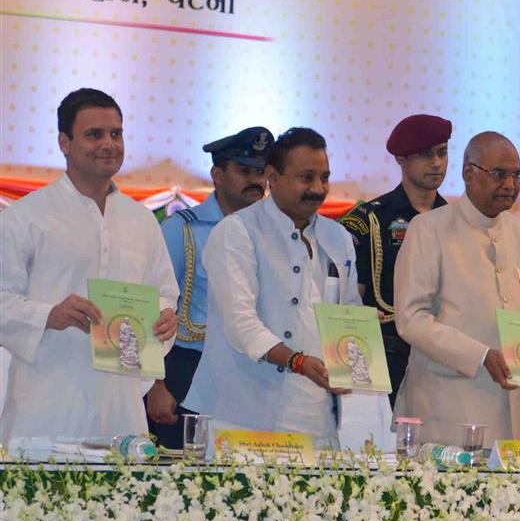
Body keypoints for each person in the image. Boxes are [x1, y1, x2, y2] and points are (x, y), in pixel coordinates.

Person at [182, 128, 388, 445]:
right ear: (272, 177)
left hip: (318, 417)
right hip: (242, 414)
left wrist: (361, 338)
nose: (318, 189)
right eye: (306, 177)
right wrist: (298, 362)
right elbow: (240, 324)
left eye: (324, 177)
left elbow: (348, 311)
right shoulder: (237, 232)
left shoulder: (339, 237)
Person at [0, 89, 178, 445]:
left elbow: (164, 294)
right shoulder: (26, 216)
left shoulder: (141, 220)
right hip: (47, 403)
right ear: (64, 142)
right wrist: (50, 314)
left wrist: (165, 318)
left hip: (122, 406)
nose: (109, 144)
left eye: (116, 134)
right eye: (94, 134)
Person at [394, 131, 520, 445]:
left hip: (509, 412)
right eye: (499, 174)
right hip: (445, 408)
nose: (510, 184)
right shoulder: (429, 228)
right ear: (467, 173)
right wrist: (480, 355)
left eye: (516, 175)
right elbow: (411, 319)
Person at [146, 126, 273, 449]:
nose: (256, 180)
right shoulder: (182, 229)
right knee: (180, 477)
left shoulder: (275, 233)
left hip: (253, 371)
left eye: (262, 172)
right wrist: (156, 384)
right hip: (187, 369)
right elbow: (153, 307)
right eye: (244, 170)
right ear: (217, 174)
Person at [340, 114, 453, 405]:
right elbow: (349, 300)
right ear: (401, 159)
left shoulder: (456, 222)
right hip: (383, 352)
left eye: (442, 152)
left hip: (443, 355)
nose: (437, 163)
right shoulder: (369, 220)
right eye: (426, 155)